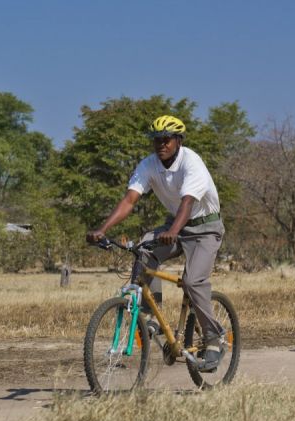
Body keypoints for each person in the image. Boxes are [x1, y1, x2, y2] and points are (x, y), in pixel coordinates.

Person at [86, 115, 226, 372]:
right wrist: (102, 229)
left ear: (178, 141)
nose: (161, 144)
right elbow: (129, 200)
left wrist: (173, 231)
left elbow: (187, 203)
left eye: (166, 139)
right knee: (143, 250)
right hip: (176, 225)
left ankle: (214, 339)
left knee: (193, 281)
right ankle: (152, 316)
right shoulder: (149, 165)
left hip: (205, 228)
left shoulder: (191, 162)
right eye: (156, 140)